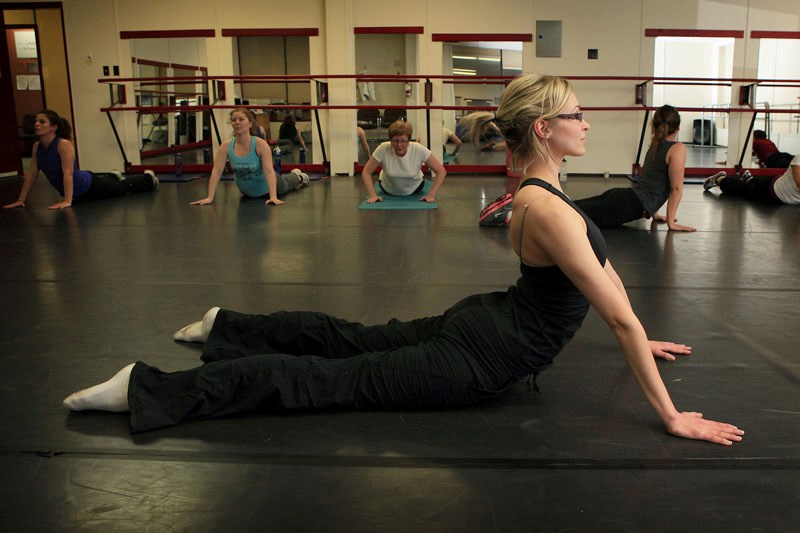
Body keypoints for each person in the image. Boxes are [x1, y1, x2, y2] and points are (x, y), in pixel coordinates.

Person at [62, 74, 744, 446]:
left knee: (355, 341)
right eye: (576, 114)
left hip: (486, 323)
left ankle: (225, 326)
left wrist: (640, 329)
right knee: (333, 378)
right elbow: (614, 313)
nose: (587, 122)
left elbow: (606, 279)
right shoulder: (552, 207)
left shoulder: (543, 191)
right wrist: (673, 415)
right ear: (545, 129)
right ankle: (150, 388)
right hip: (479, 357)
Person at [573, 105, 696, 232]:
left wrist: (655, 213)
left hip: (624, 197)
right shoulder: (677, 148)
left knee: (571, 207)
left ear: (655, 125)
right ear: (678, 128)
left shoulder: (655, 144)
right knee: (572, 214)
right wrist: (672, 223)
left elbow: (652, 179)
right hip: (629, 205)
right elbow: (675, 188)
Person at [3, 109, 158, 210]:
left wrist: (67, 201)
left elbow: (68, 173)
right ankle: (113, 175)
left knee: (123, 188)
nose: (36, 124)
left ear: (53, 128)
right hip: (81, 183)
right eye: (36, 121)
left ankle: (149, 179)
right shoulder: (37, 146)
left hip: (87, 187)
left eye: (42, 122)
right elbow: (31, 175)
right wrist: (21, 199)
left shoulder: (63, 144)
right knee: (112, 182)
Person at [190, 108, 308, 207]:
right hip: (248, 193)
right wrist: (209, 197)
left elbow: (269, 171)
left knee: (288, 183)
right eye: (234, 120)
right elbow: (216, 171)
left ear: (250, 123)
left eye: (241, 119)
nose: (237, 122)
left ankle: (299, 176)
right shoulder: (225, 146)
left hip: (271, 188)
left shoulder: (260, 144)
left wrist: (273, 197)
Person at [361, 120, 447, 203]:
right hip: (387, 189)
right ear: (390, 140)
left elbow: (441, 171)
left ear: (409, 140)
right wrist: (373, 195)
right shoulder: (383, 148)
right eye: (395, 141)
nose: (399, 145)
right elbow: (366, 172)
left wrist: (431, 195)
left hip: (415, 189)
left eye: (403, 141)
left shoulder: (418, 149)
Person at [703, 156, 800, 205]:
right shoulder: (798, 158)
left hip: (781, 188)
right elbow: (799, 183)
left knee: (755, 185)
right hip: (773, 191)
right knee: (745, 190)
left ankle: (749, 179)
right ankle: (720, 180)